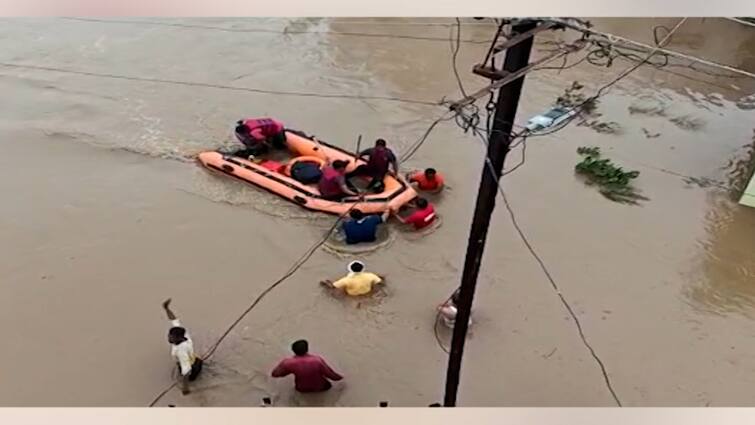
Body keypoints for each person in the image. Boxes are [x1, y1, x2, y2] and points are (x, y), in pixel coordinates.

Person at [162, 299, 203, 395]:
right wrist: (167, 309)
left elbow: (186, 372)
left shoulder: (181, 351)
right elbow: (174, 320)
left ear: (178, 338)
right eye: (169, 335)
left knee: (188, 377)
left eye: (171, 337)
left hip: (192, 369)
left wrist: (185, 388)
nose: (168, 338)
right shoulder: (184, 335)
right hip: (195, 360)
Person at [271, 339, 343, 393]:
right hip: (321, 387)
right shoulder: (317, 361)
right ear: (307, 349)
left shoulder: (287, 363)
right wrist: (342, 378)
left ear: (293, 350)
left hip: (301, 389)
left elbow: (275, 374)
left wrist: (289, 371)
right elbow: (331, 375)